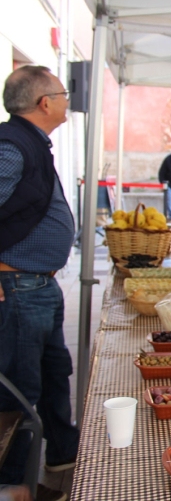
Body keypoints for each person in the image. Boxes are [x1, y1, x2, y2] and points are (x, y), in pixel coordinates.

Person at [0, 66, 79, 501]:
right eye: (62, 93)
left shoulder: (30, 143)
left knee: (54, 373)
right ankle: (15, 485)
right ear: (45, 102)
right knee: (20, 389)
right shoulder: (11, 145)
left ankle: (63, 457)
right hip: (17, 288)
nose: (67, 100)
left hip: (38, 286)